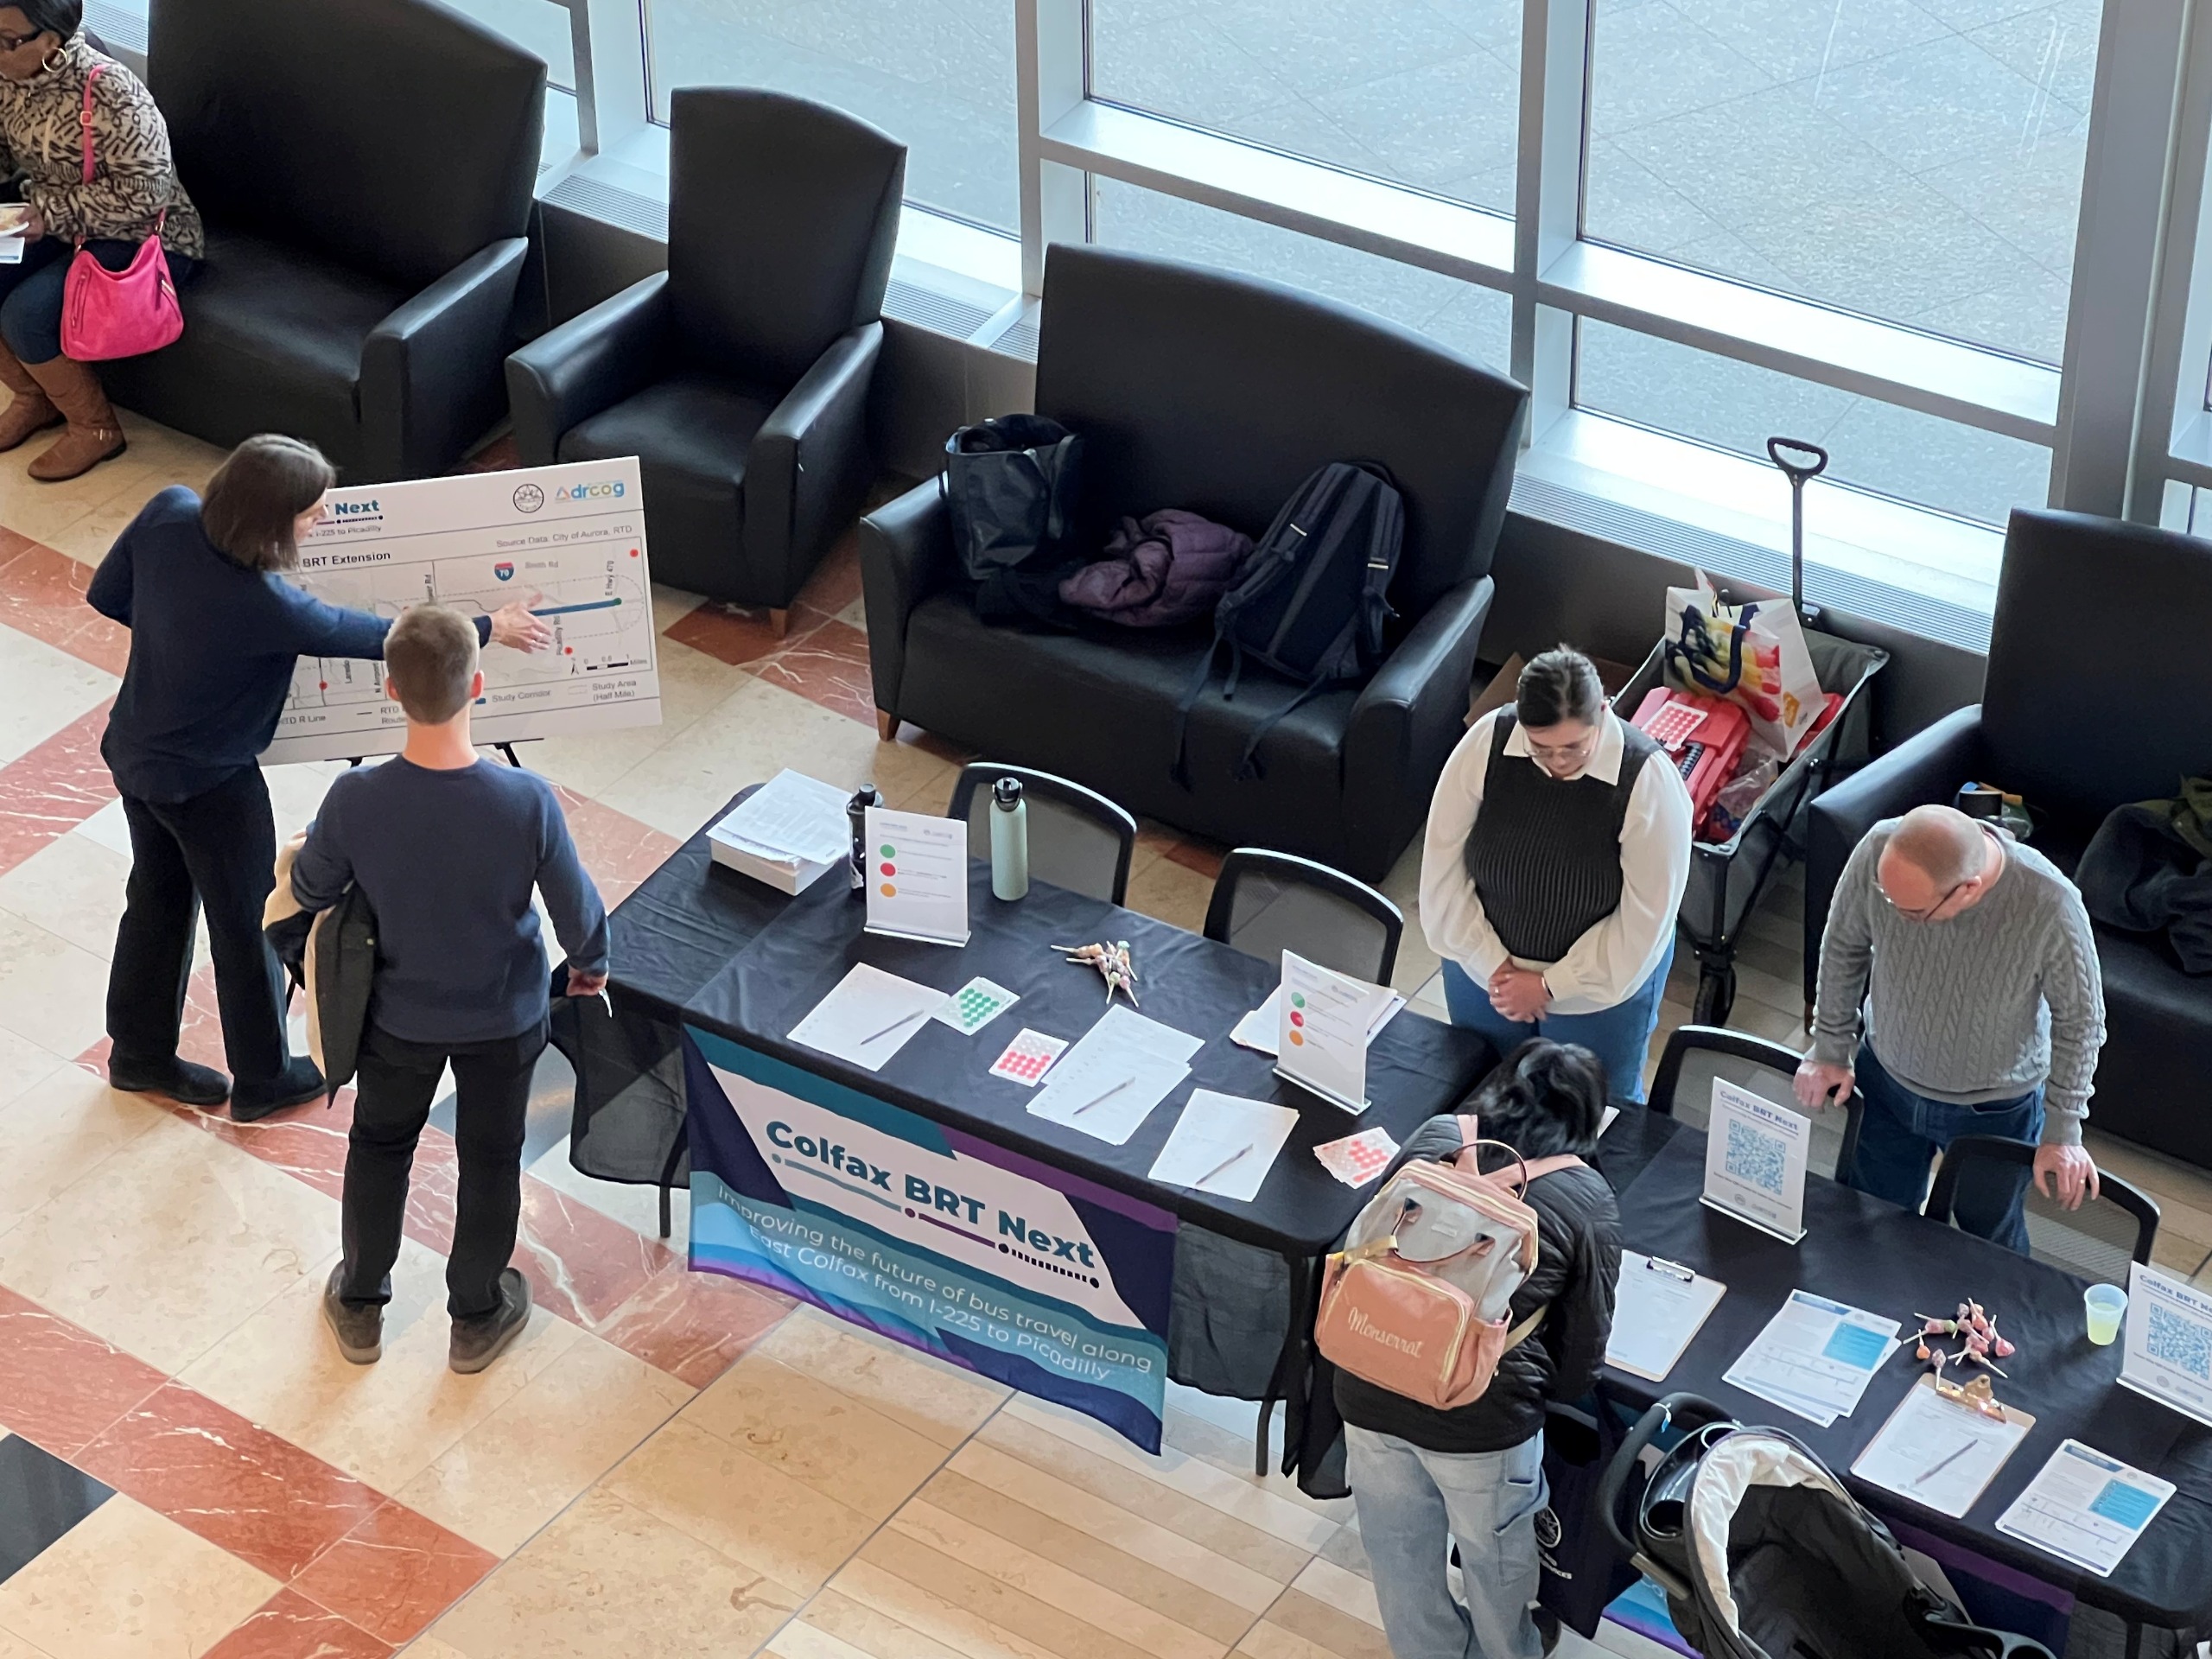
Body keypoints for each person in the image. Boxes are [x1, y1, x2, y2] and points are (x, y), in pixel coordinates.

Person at [87, 435, 551, 1118]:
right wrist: (491, 622)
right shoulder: (266, 606)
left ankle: (137, 1052)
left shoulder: (169, 512)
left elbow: (107, 594)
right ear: (270, 523)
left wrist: (179, 638)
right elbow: (387, 640)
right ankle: (263, 1079)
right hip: (211, 786)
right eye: (310, 515)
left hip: (134, 752)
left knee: (155, 897)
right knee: (247, 922)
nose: (321, 522)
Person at [297, 605, 607, 1374]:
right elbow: (580, 912)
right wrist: (590, 965)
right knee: (492, 1155)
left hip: (396, 1019)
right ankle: (475, 1310)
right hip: (503, 1019)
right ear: (478, 684)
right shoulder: (526, 800)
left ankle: (362, 1301)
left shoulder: (356, 799)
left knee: (379, 1146)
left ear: (392, 692)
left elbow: (310, 887)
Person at [1336, 1039, 1622, 1659]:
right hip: (1481, 1414)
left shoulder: (1439, 1135)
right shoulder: (1585, 1198)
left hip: (1368, 1373)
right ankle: (1508, 1650)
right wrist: (1552, 1394)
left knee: (1398, 1551)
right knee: (1497, 1560)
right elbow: (1584, 1345)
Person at [1796, 804, 2106, 1253]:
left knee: (1989, 1240)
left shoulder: (2051, 903)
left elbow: (2081, 1021)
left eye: (1913, 912)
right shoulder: (1881, 849)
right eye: (1888, 898)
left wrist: (2064, 1130)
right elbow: (1844, 945)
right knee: (1869, 1220)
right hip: (1885, 1084)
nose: (1896, 915)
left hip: (1995, 1111)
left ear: (1968, 890)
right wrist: (1829, 1047)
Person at [1421, 646, 1692, 1103]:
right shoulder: (1488, 741)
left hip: (1602, 985)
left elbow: (1646, 918)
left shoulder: (1648, 781)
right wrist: (1498, 969)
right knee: (1485, 1088)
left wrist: (1549, 986)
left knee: (1591, 1107)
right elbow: (1443, 867)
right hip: (1485, 968)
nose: (1557, 762)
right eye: (1540, 748)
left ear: (1604, 713)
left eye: (1573, 747)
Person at [0, 0, 200, 480]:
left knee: (25, 313)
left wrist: (49, 214)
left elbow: (148, 194)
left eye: (7, 41)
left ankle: (96, 428)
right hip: (56, 221)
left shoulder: (111, 91)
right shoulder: (10, 77)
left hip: (144, 235)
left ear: (50, 40)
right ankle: (35, 397)